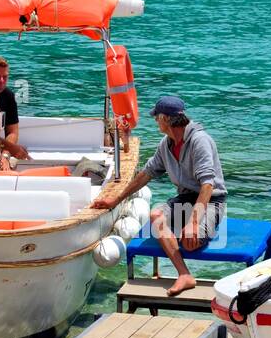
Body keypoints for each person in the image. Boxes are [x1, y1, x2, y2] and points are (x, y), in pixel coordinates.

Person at [90, 96, 227, 296]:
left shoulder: (200, 141)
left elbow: (208, 184)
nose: (155, 121)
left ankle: (192, 231)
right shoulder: (166, 144)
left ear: (165, 119)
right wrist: (115, 200)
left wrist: (194, 222)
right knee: (156, 216)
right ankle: (184, 275)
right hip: (185, 199)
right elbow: (146, 174)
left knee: (191, 242)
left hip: (211, 201)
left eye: (157, 117)